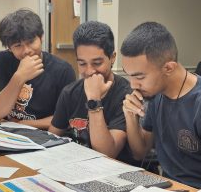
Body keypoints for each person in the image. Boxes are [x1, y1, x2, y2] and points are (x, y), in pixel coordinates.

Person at [120, 22, 201, 191]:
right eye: (129, 76)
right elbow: (140, 152)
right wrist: (130, 117)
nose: (133, 85)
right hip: (169, 186)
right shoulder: (157, 95)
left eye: (139, 77)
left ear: (169, 68)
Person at [48, 21, 137, 164]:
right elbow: (51, 139)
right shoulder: (69, 92)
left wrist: (94, 99)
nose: (89, 71)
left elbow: (107, 153)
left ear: (112, 58)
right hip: (74, 167)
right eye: (82, 63)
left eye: (97, 63)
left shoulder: (127, 95)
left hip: (113, 171)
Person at [0, 9, 76, 130]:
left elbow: (67, 118)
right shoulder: (1, 61)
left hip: (45, 135)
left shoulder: (63, 70)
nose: (27, 50)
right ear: (9, 47)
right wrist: (19, 77)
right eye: (18, 46)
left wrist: (23, 124)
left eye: (31, 42)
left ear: (41, 37)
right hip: (8, 134)